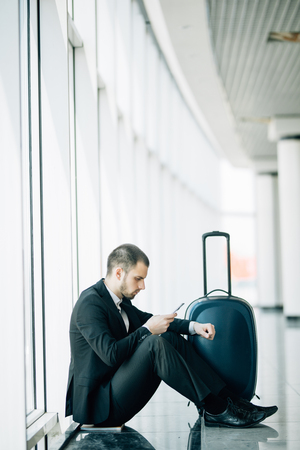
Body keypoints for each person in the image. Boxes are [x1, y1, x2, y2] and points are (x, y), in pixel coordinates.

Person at [65, 243, 277, 428]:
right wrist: (147, 330)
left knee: (167, 337)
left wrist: (194, 326)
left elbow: (150, 318)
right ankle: (215, 409)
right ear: (119, 273)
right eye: (138, 279)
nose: (143, 286)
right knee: (154, 344)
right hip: (100, 407)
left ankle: (230, 400)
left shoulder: (118, 301)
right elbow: (110, 354)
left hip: (115, 387)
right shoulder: (90, 304)